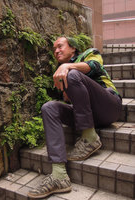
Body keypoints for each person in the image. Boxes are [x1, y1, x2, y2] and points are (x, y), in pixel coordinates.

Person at [27, 36, 122, 199]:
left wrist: (68, 67)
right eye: (54, 49)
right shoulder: (62, 71)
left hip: (109, 106)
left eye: (60, 46)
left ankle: (89, 138)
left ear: (73, 48)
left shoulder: (89, 53)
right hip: (89, 115)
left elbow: (95, 66)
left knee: (71, 74)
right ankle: (59, 175)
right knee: (49, 107)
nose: (56, 51)